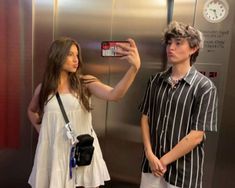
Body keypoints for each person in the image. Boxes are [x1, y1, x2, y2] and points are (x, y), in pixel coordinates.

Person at [27, 37, 140, 188]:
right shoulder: (44, 88)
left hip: (80, 152)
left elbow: (115, 95)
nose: (76, 60)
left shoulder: (85, 83)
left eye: (77, 55)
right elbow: (31, 111)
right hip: (55, 153)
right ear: (57, 56)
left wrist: (134, 69)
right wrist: (43, 132)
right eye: (70, 54)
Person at [139, 21, 218, 188]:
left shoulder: (204, 87)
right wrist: (149, 155)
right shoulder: (155, 81)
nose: (170, 48)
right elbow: (145, 118)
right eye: (169, 43)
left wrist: (162, 161)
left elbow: (196, 135)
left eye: (178, 43)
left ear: (193, 48)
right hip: (151, 166)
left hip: (184, 173)